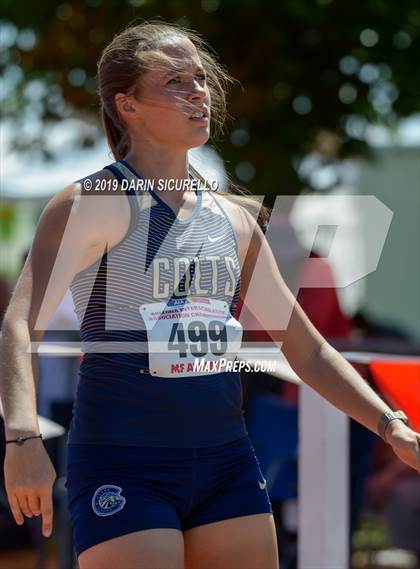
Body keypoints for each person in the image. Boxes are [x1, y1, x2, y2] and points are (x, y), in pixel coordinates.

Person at [0, 20, 419, 569]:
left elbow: (306, 348)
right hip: (124, 464)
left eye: (200, 78)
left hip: (227, 465)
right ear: (127, 105)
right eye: (176, 81)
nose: (199, 92)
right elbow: (17, 325)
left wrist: (393, 427)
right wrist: (23, 440)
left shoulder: (236, 218)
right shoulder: (95, 200)